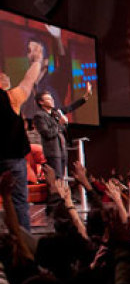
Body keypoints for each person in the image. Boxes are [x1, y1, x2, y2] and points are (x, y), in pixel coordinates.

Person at [0, 42, 43, 232]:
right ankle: (23, 246)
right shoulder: (10, 98)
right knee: (19, 204)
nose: (6, 77)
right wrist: (37, 60)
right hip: (12, 160)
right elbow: (29, 81)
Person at [32, 82, 92, 179]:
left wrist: (85, 97)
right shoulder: (39, 116)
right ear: (41, 102)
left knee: (62, 179)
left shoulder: (56, 113)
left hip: (62, 150)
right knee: (57, 179)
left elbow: (70, 107)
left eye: (51, 98)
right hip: (53, 152)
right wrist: (60, 123)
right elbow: (47, 133)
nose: (52, 100)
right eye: (48, 99)